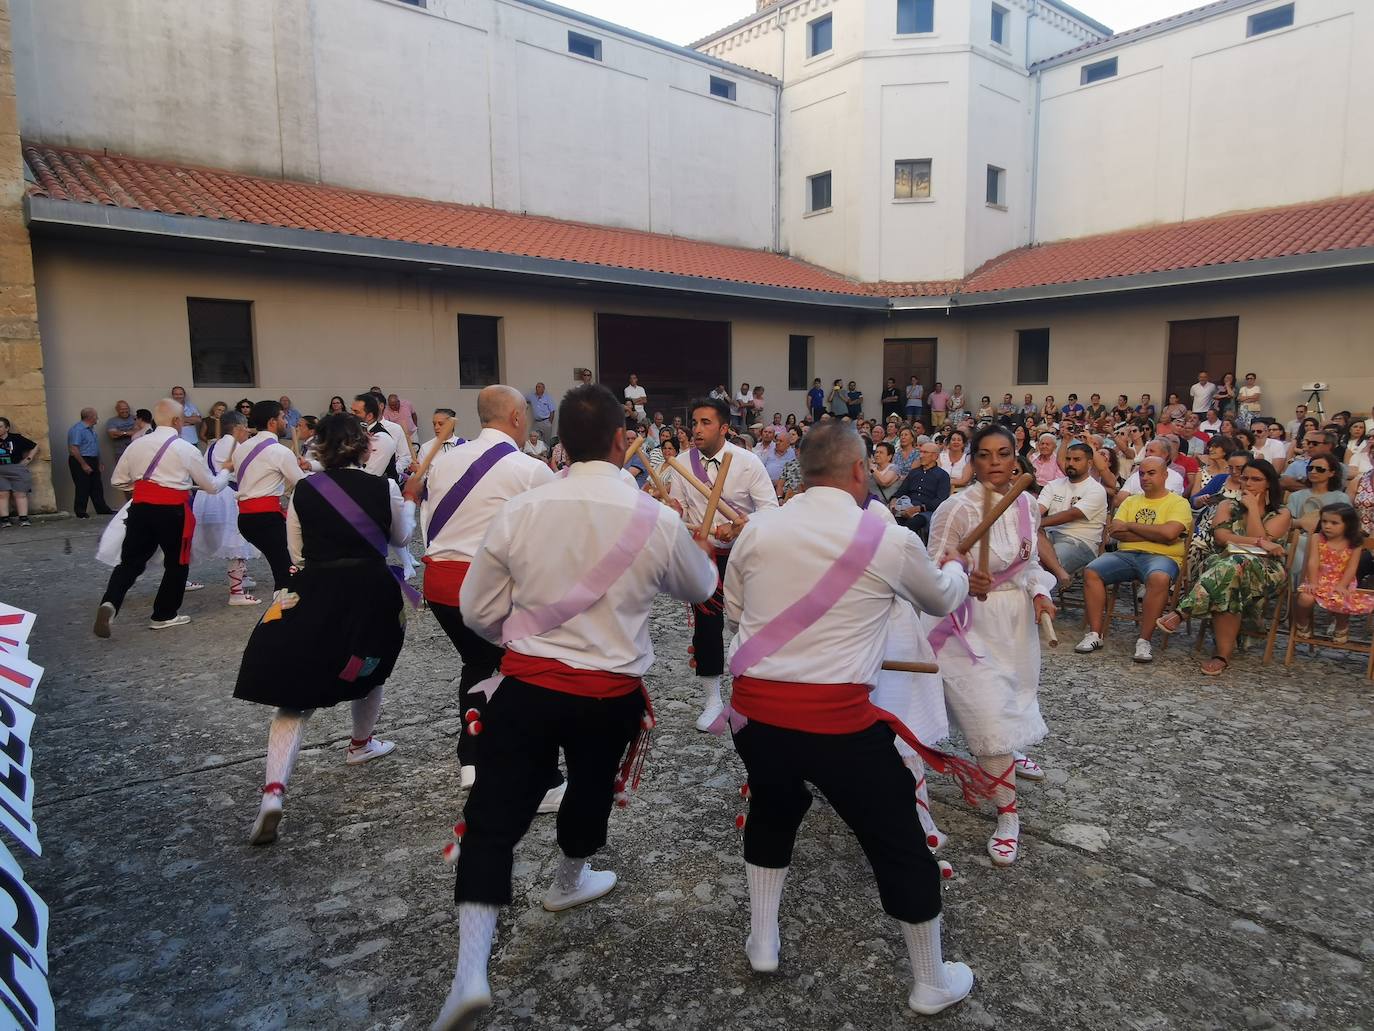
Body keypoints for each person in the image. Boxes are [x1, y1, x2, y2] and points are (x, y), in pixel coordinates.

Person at [431, 384, 717, 1031]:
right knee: (590, 787)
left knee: (494, 814)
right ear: (623, 440)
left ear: (559, 443)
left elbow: (478, 611)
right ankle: (568, 879)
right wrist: (679, 534)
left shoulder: (524, 508)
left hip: (529, 686)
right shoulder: (655, 515)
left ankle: (470, 970)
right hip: (610, 694)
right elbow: (703, 586)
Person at [716, 421, 975, 1012]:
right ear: (861, 471)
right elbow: (939, 597)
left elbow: (735, 617)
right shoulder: (886, 538)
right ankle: (931, 981)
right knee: (898, 840)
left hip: (754, 715)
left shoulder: (757, 530)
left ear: (801, 472)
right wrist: (958, 568)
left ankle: (762, 939)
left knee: (773, 807)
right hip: (837, 724)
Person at [237, 413, 415, 847]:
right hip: (371, 592)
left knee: (294, 695)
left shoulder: (303, 490)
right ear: (361, 446)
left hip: (317, 589)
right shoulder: (382, 487)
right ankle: (360, 743)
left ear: (319, 447)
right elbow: (400, 539)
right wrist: (407, 502)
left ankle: (274, 790)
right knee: (370, 665)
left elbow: (295, 550)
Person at [409, 385, 557, 794]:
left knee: (477, 664)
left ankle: (471, 759)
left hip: (440, 585)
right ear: (514, 416)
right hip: (490, 587)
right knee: (526, 672)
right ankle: (534, 773)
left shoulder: (443, 461)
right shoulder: (529, 468)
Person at [925, 425, 1055, 866]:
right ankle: (1007, 816)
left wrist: (1040, 592)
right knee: (988, 712)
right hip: (967, 627)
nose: (995, 462)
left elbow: (1029, 563)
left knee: (1012, 698)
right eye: (985, 455)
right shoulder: (956, 510)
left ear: (1016, 457)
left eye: (1004, 453)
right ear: (973, 461)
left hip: (1013, 623)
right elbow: (934, 574)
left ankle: (1009, 750)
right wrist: (963, 578)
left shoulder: (1027, 505)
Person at [666, 396, 778, 731]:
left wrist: (739, 525)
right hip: (707, 555)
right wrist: (671, 510)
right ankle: (712, 698)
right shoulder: (683, 463)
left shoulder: (748, 462)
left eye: (705, 423)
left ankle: (756, 693)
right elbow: (680, 510)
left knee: (751, 622)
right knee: (707, 625)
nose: (696, 430)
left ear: (724, 428)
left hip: (746, 555)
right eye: (695, 423)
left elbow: (771, 511)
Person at [93, 398, 233, 636]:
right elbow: (210, 486)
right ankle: (164, 614)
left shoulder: (136, 444)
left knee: (130, 562)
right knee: (176, 563)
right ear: (178, 421)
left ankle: (111, 602)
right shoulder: (185, 448)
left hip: (140, 507)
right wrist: (225, 471)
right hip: (172, 509)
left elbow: (118, 480)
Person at [1156, 459, 1291, 674]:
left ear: (1269, 484)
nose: (1248, 483)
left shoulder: (1281, 513)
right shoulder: (1226, 505)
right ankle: (1221, 656)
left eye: (1256, 479)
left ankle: (1183, 611)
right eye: (1245, 478)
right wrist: (1261, 541)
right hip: (1223, 562)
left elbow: (1260, 550)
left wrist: (1254, 511)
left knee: (1233, 568)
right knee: (1231, 576)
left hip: (1266, 569)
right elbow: (1221, 537)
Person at [1077, 457, 1191, 664]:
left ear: (1165, 475)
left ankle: (1144, 640)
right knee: (1092, 570)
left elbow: (1169, 533)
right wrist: (1157, 535)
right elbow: (1116, 532)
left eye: (1151, 473)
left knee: (1159, 578)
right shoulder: (1131, 501)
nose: (1145, 477)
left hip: (1163, 557)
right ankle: (1095, 634)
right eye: (1141, 473)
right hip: (1126, 554)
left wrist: (1131, 526)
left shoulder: (1178, 503)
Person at [235, 400, 306, 593]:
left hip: (246, 518)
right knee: (288, 571)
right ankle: (283, 614)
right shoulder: (280, 451)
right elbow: (303, 485)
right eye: (283, 418)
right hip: (266, 518)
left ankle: (285, 610)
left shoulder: (241, 448)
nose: (286, 423)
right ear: (272, 422)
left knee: (283, 567)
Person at [192, 411, 262, 606]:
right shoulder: (237, 447)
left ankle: (242, 577)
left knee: (230, 539)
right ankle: (237, 592)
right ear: (238, 427)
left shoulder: (213, 444)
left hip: (206, 496)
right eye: (246, 426)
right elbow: (244, 473)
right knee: (235, 540)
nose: (248, 430)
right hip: (226, 496)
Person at [1293, 503, 1374, 643]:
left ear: (1348, 524)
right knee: (1305, 598)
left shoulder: (1354, 543)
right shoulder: (1317, 538)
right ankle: (1302, 623)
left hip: (1342, 581)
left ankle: (1341, 626)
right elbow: (1313, 562)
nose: (1327, 526)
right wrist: (1312, 582)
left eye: (1334, 523)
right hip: (1318, 578)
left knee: (1341, 598)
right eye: (1324, 521)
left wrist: (1342, 585)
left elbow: (1351, 568)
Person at [1037, 443, 1108, 587]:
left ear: (1089, 463)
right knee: (1026, 549)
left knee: (1042, 566)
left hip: (1080, 541)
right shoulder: (1053, 485)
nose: (1070, 463)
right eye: (1068, 459)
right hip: (1048, 536)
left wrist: (1037, 522)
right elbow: (1038, 510)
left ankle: (1039, 602)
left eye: (1076, 460)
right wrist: (1034, 522)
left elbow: (1072, 514)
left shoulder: (1096, 490)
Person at [891, 441, 950, 540]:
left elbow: (940, 500)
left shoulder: (942, 475)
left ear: (935, 456)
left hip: (926, 510)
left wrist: (918, 509)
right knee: (890, 521)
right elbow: (901, 491)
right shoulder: (914, 472)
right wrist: (893, 502)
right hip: (906, 507)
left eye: (925, 452)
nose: (921, 456)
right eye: (920, 452)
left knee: (911, 524)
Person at [67, 407, 113, 517]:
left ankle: (102, 509)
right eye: (96, 416)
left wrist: (99, 461)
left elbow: (95, 447)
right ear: (90, 417)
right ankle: (80, 511)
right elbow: (74, 448)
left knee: (97, 485)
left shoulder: (91, 429)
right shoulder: (78, 429)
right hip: (80, 459)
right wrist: (83, 464)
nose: (97, 418)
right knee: (83, 485)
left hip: (92, 459)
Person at [351, 393, 399, 480]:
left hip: (379, 490)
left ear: (369, 416)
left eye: (356, 412)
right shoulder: (356, 433)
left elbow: (369, 476)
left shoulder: (381, 438)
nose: (351, 415)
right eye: (351, 410)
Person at [0, 417, 38, 527]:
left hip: (16, 469)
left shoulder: (16, 438)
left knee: (20, 493)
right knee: (2, 494)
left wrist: (28, 459)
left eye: (0, 426)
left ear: (7, 428)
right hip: (1, 470)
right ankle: (4, 520)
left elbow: (35, 446)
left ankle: (23, 519)